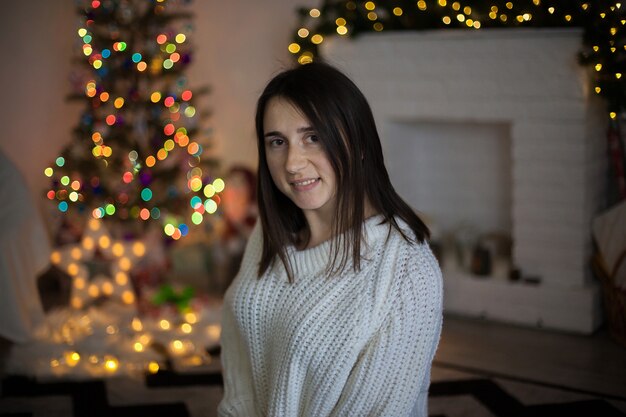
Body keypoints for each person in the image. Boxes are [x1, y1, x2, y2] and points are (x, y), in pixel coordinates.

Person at [218, 62, 443, 417]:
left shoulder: (407, 272)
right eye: (278, 142)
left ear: (359, 142)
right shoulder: (271, 231)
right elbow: (240, 348)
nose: (292, 162)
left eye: (313, 137)